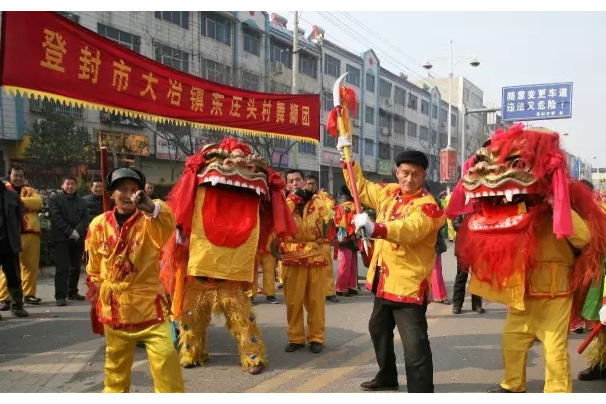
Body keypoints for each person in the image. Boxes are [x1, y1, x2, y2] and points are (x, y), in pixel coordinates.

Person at [449, 125, 606, 393]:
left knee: (554, 351)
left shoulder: (561, 210)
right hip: (522, 295)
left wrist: (558, 207)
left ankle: (557, 392)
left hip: (554, 296)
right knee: (512, 343)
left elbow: (582, 239)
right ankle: (512, 384)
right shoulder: (514, 209)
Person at [337, 137, 445, 393]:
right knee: (378, 330)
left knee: (415, 346)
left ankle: (421, 392)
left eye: (415, 175)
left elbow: (411, 230)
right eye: (405, 173)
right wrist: (347, 159)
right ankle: (387, 376)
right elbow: (361, 188)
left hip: (408, 287)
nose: (409, 179)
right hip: (383, 282)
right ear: (397, 172)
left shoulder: (428, 206)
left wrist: (377, 227)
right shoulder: (388, 193)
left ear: (423, 176)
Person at [85, 167, 184, 393]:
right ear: (112, 194)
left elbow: (167, 220)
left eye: (134, 190)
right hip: (116, 309)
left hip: (149, 307)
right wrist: (100, 292)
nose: (129, 194)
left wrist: (151, 207)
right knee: (115, 370)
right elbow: (93, 268)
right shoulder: (98, 224)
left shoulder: (150, 221)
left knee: (166, 359)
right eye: (123, 190)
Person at [282, 169, 333, 354]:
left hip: (315, 255)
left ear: (305, 181)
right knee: (293, 302)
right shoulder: (284, 203)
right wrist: (292, 200)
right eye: (291, 181)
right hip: (292, 255)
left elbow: (329, 219)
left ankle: (316, 337)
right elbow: (279, 223)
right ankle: (295, 337)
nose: (295, 183)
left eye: (298, 180)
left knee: (315, 302)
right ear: (286, 185)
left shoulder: (320, 201)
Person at [0, 166, 43, 309]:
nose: (18, 178)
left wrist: (19, 201)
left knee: (30, 266)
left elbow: (38, 202)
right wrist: (25, 203)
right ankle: (4, 298)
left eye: (20, 176)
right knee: (7, 269)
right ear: (9, 176)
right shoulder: (4, 190)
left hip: (30, 232)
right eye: (15, 175)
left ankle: (29, 294)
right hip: (9, 235)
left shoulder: (30, 190)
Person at [48, 177, 90, 306]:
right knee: (62, 268)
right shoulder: (55, 199)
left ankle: (72, 291)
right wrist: (69, 231)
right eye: (68, 184)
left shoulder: (82, 201)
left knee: (76, 267)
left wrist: (77, 231)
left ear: (76, 186)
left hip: (77, 237)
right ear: (62, 185)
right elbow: (56, 217)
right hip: (61, 238)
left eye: (73, 184)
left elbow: (85, 217)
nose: (70, 186)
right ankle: (60, 296)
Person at [305, 175, 339, 303]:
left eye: (313, 183)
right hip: (306, 241)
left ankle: (330, 292)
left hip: (322, 239)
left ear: (316, 184)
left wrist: (326, 215)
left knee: (327, 267)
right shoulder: (301, 197)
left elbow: (330, 208)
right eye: (308, 183)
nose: (310, 186)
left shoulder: (324, 196)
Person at [0, 179, 28, 319]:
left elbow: (18, 218)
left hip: (8, 242)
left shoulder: (11, 195)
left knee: (14, 277)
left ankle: (17, 306)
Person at [451, 214, 484, 314]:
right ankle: (457, 304)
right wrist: (470, 225)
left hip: (477, 247)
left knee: (477, 277)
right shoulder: (460, 208)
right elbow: (456, 225)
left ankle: (477, 304)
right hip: (463, 248)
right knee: (461, 277)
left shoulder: (478, 207)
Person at [333, 184, 359, 297]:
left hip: (344, 238)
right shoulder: (355, 206)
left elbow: (336, 223)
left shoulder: (340, 207)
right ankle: (348, 286)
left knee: (346, 263)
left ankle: (343, 287)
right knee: (351, 263)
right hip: (352, 237)